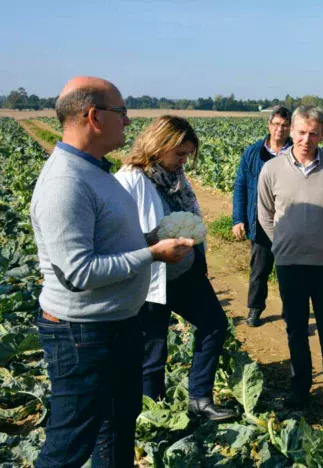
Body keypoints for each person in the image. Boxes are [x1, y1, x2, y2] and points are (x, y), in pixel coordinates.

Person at [30, 77, 193, 467]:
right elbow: (78, 272)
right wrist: (152, 253)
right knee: (69, 445)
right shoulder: (64, 183)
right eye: (121, 112)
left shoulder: (96, 171)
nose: (128, 120)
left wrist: (149, 237)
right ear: (93, 117)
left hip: (114, 326)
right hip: (83, 335)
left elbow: (108, 242)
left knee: (116, 429)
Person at [116, 116, 237, 422]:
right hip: (151, 279)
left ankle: (199, 398)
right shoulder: (130, 180)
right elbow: (117, 236)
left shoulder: (177, 176)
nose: (184, 160)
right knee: (153, 351)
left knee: (214, 325)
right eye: (180, 153)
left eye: (187, 154)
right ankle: (153, 418)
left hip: (186, 274)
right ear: (160, 145)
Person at [257, 106, 323, 422]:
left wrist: (322, 237)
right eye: (301, 132)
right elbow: (265, 214)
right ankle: (300, 391)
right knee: (296, 331)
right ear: (291, 131)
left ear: (322, 134)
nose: (306, 139)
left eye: (313, 133)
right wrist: (286, 242)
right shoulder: (272, 169)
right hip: (289, 263)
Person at [232, 106, 293, 327]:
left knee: (290, 271)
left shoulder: (297, 153)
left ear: (291, 128)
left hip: (289, 222)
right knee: (259, 270)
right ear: (269, 125)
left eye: (285, 125)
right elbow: (240, 186)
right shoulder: (253, 152)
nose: (279, 129)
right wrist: (238, 218)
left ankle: (291, 313)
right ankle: (255, 309)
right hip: (260, 221)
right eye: (276, 124)